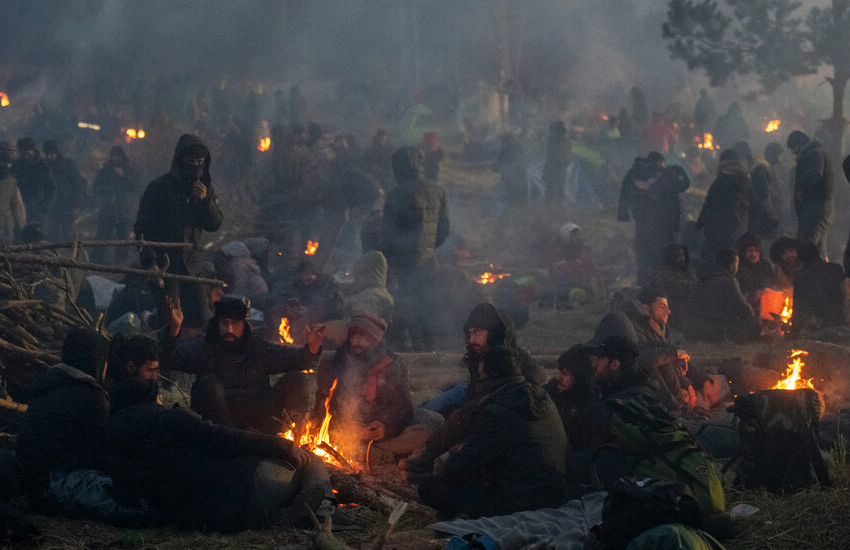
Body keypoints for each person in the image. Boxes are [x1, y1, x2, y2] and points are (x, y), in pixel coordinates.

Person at [107, 340, 335, 531]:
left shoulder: (113, 427)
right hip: (246, 491)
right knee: (310, 459)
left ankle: (300, 509)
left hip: (209, 517)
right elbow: (224, 439)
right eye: (151, 372)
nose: (156, 379)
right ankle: (326, 513)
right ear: (130, 369)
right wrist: (281, 445)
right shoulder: (169, 419)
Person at [417, 346, 567, 518]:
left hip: (521, 504)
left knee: (429, 487)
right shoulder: (542, 397)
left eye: (480, 375)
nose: (478, 380)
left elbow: (454, 471)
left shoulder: (497, 412)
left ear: (491, 378)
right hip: (555, 494)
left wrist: (452, 455)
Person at [160, 294, 325, 434]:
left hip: (260, 421)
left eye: (235, 324)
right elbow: (169, 359)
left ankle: (295, 441)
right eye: (225, 323)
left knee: (298, 379)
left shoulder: (259, 349)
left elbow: (296, 359)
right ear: (217, 323)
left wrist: (311, 349)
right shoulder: (204, 349)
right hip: (220, 428)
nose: (230, 330)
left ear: (245, 326)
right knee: (207, 384)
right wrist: (173, 331)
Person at [314, 314, 441, 462]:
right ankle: (371, 452)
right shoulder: (335, 362)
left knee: (434, 423)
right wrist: (348, 424)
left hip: (379, 428)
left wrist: (385, 427)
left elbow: (403, 406)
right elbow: (323, 405)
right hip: (345, 429)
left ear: (376, 340)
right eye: (354, 336)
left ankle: (374, 450)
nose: (357, 342)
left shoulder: (392, 364)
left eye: (364, 338)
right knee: (335, 435)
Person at [134, 134, 223, 328]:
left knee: (200, 319)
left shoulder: (205, 189)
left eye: (200, 161)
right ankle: (152, 323)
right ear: (180, 161)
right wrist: (150, 262)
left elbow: (214, 224)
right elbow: (143, 228)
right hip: (165, 265)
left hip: (192, 266)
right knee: (170, 321)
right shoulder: (160, 188)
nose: (196, 165)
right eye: (191, 161)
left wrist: (205, 201)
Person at [16, 329, 110, 496]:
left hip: (28, 475)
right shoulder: (89, 395)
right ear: (96, 360)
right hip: (58, 480)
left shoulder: (49, 382)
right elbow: (104, 446)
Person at [380, 146, 449, 351]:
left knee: (406, 303)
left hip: (404, 261)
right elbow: (444, 229)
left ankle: (410, 344)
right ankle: (429, 345)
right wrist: (429, 248)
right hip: (428, 259)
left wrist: (388, 259)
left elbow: (388, 233)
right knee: (426, 301)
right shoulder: (438, 191)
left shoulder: (397, 194)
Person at [618, 153, 690, 284]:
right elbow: (626, 194)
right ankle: (648, 283)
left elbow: (683, 185)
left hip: (661, 224)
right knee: (649, 255)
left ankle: (657, 281)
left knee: (658, 254)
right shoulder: (638, 174)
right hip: (649, 224)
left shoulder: (666, 176)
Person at [696, 149, 761, 263]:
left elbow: (709, 205)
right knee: (735, 255)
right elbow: (755, 203)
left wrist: (700, 223)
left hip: (719, 227)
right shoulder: (746, 180)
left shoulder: (720, 181)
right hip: (740, 225)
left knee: (719, 257)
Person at [680, 250, 759, 342]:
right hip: (714, 331)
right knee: (755, 323)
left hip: (692, 331)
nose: (737, 268)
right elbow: (743, 310)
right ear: (731, 266)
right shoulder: (728, 282)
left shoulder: (702, 279)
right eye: (737, 265)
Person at [788, 130, 833, 256]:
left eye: (794, 148)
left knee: (806, 248)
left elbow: (815, 173)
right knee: (818, 249)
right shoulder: (816, 153)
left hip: (815, 208)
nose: (793, 153)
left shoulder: (813, 154)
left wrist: (800, 187)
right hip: (819, 207)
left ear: (799, 144)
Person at [92, 146, 139, 264]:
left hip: (122, 209)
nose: (116, 159)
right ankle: (97, 261)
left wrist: (123, 176)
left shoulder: (128, 170)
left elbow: (133, 186)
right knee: (102, 237)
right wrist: (104, 193)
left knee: (122, 239)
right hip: (107, 209)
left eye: (118, 156)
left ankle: (120, 262)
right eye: (114, 156)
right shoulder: (105, 170)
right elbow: (96, 187)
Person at [791, 243, 846, 335]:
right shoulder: (836, 269)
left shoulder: (800, 278)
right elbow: (843, 298)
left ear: (801, 260)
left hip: (817, 330)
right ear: (818, 254)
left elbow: (798, 309)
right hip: (840, 326)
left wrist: (794, 332)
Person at [733, 141, 778, 240]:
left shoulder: (758, 171)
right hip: (753, 218)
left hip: (760, 220)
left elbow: (764, 197)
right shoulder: (748, 172)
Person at [42, 140, 86, 242]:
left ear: (56, 153)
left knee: (67, 234)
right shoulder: (45, 166)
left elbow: (78, 185)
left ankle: (68, 257)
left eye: (51, 154)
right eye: (47, 154)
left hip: (67, 205)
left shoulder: (68, 164)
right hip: (52, 205)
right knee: (52, 233)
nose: (49, 157)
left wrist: (76, 205)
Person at [11, 137, 55, 231]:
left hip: (38, 211)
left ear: (33, 151)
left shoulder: (43, 166)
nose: (25, 157)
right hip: (20, 209)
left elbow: (51, 189)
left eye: (28, 154)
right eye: (23, 154)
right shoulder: (17, 166)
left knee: (38, 237)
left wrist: (44, 208)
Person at [649, 244, 696, 326]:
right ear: (670, 257)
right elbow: (681, 289)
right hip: (672, 312)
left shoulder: (688, 271)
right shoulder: (663, 274)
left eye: (682, 254)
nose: (682, 258)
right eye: (677, 255)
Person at [735, 232, 773, 312]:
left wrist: (765, 293)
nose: (753, 254)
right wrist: (750, 296)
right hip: (744, 311)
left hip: (766, 309)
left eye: (756, 250)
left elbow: (773, 286)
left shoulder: (765, 266)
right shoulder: (737, 268)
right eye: (749, 250)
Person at [0, 141, 26, 242]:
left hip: (6, 230)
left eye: (9, 163)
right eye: (3, 162)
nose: (6, 166)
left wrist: (21, 228)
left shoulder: (11, 182)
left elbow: (17, 207)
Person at [542, 120, 570, 202]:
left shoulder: (552, 142)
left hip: (555, 169)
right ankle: (555, 206)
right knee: (557, 188)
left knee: (552, 188)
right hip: (558, 169)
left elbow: (551, 157)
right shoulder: (563, 142)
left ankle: (552, 206)